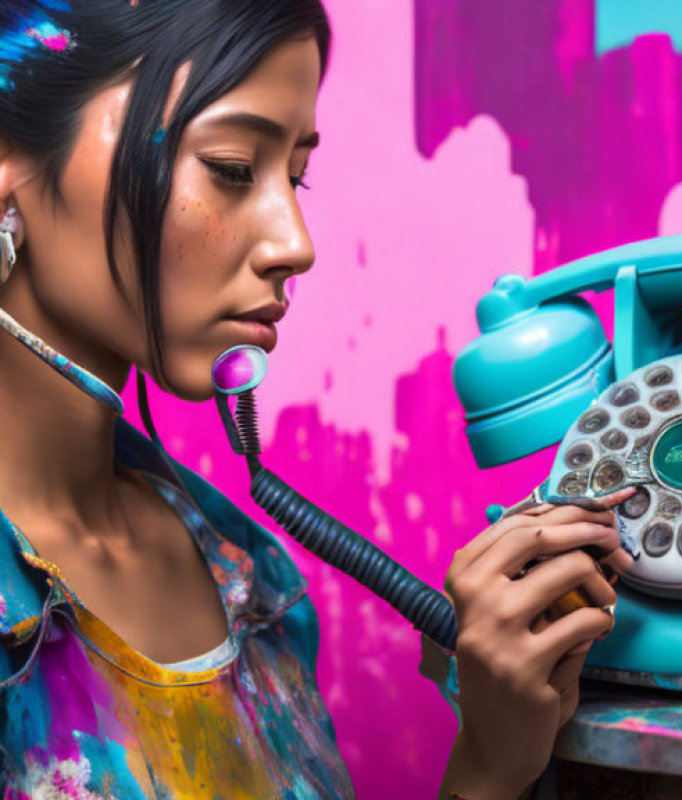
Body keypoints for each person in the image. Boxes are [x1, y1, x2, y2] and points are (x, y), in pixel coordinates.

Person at [0, 2, 633, 798]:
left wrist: (492, 760)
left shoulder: (249, 575)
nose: (295, 243)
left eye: (294, 175)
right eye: (232, 166)